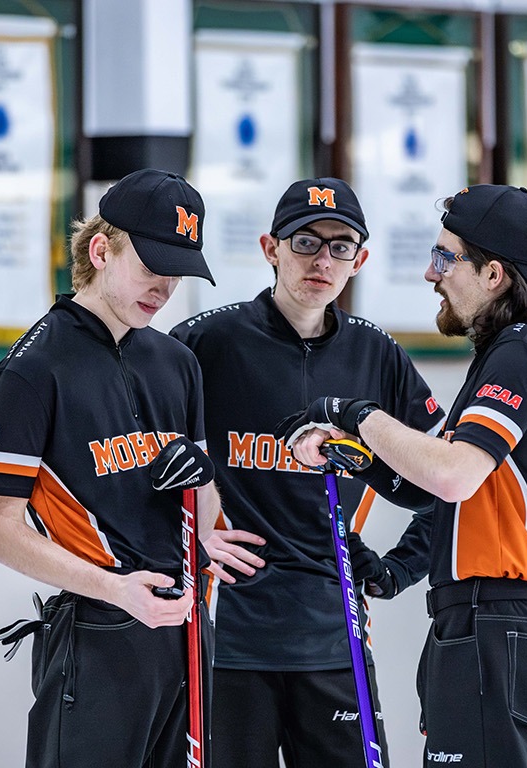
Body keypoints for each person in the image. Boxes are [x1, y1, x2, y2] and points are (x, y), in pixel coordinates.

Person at [281, 184, 527, 768]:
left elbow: (451, 476)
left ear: (493, 273)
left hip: (495, 626)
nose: (431, 272)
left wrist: (356, 413)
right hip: (503, 625)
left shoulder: (520, 352)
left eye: (446, 258)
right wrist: (390, 557)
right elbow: (439, 489)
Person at [170, 177, 444, 767]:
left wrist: (401, 567)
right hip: (228, 635)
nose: (322, 260)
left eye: (340, 246)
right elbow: (142, 459)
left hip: (334, 634)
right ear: (271, 248)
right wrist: (192, 538)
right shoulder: (204, 342)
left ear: (360, 260)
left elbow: (449, 476)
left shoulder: (377, 354)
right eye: (305, 242)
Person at [0, 168, 236, 767]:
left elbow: (203, 519)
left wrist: (207, 495)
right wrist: (117, 591)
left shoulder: (177, 363)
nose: (165, 288)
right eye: (152, 267)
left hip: (187, 631)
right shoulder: (33, 370)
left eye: (178, 272)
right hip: (98, 633)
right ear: (101, 249)